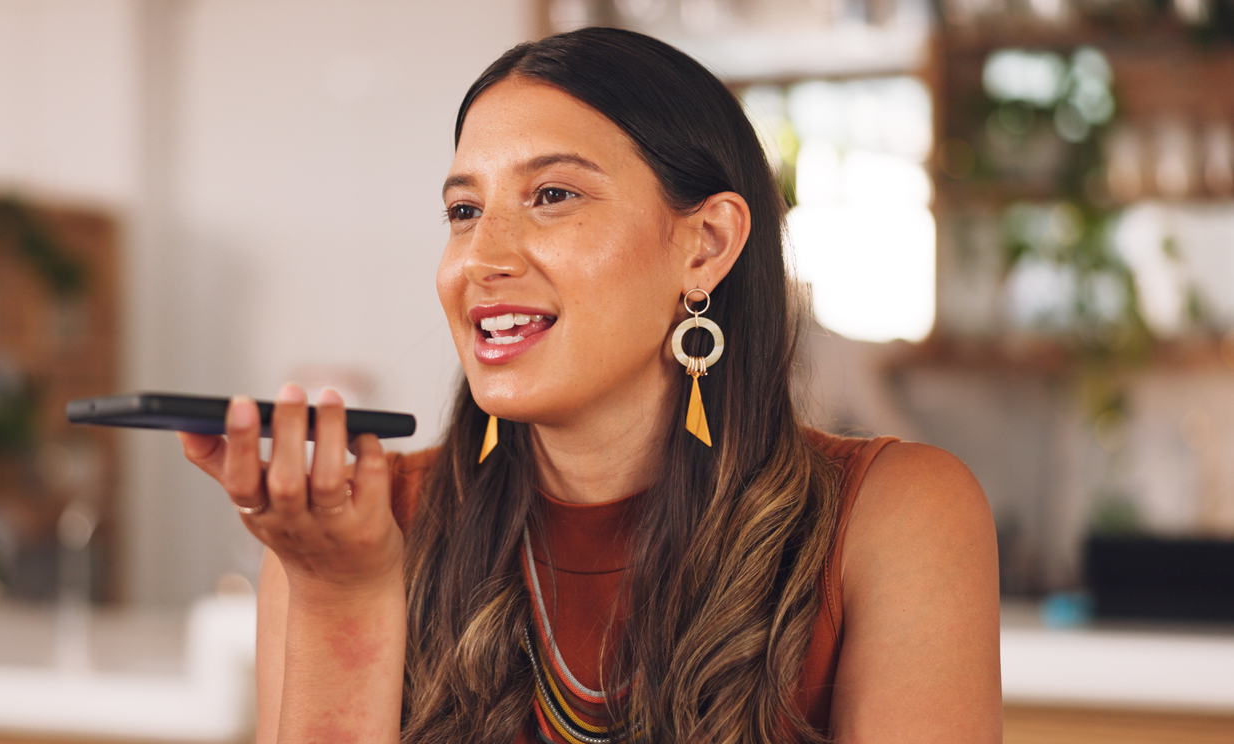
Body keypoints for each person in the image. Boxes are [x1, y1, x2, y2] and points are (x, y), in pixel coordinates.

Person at [179, 26, 1001, 744]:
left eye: (552, 196)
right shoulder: (342, 536)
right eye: (463, 211)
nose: (482, 258)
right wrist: (340, 598)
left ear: (706, 245)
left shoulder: (893, 516)